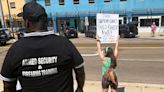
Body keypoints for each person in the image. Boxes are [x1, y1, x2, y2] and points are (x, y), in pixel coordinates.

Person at [0, 1, 85, 92]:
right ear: (45, 21)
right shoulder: (64, 43)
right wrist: (79, 88)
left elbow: (8, 85)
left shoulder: (15, 49)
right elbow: (79, 69)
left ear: (27, 23)